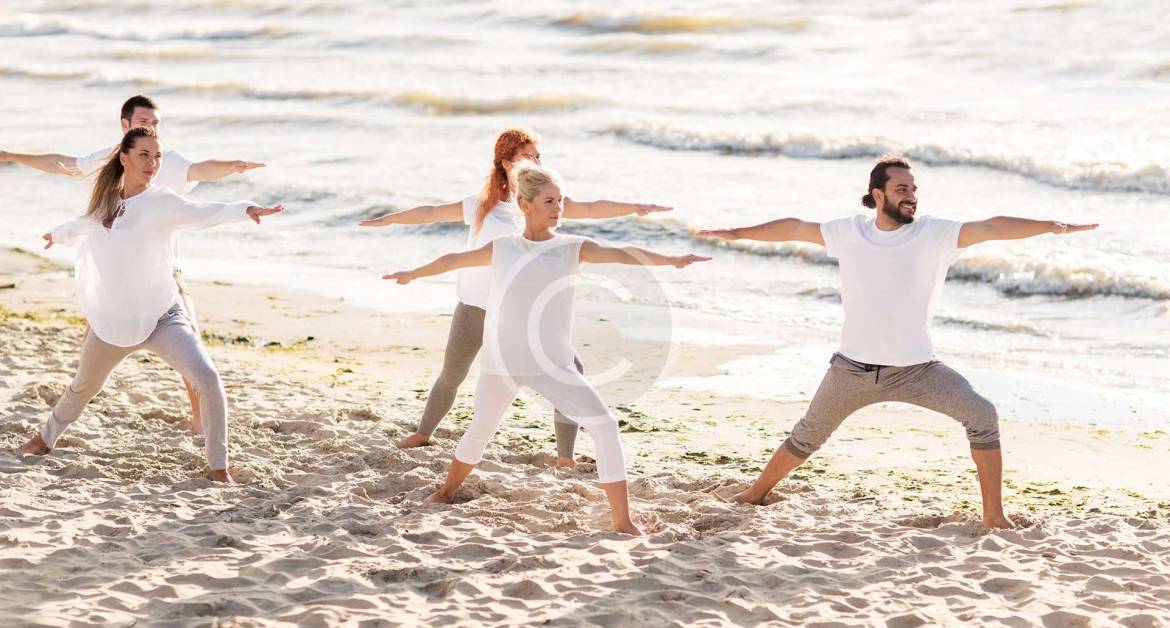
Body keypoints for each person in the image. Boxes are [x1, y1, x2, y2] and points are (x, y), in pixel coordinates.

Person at [697, 155, 1098, 529]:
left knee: (982, 415)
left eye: (914, 189)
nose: (912, 197)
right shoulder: (849, 232)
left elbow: (991, 227)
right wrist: (736, 233)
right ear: (878, 195)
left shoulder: (934, 234)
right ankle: (755, 493)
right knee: (807, 436)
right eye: (902, 189)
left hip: (917, 371)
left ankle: (994, 516)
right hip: (851, 370)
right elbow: (794, 228)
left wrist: (1050, 226)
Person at [383, 163, 709, 535]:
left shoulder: (571, 248)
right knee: (481, 429)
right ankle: (444, 492)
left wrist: (672, 260)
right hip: (502, 362)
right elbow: (454, 261)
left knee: (604, 425)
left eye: (561, 201)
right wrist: (412, 274)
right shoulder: (504, 247)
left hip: (553, 365)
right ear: (524, 204)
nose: (558, 209)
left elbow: (622, 252)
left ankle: (623, 521)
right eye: (549, 201)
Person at [360, 128, 671, 468]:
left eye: (539, 156)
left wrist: (635, 208)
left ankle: (564, 457)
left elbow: (592, 208)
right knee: (453, 373)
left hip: (521, 312)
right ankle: (423, 432)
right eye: (528, 156)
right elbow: (430, 213)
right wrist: (386, 220)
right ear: (506, 162)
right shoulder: (485, 205)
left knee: (571, 368)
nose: (536, 162)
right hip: (477, 305)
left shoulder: (541, 201)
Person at [20, 128, 285, 484]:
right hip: (113, 321)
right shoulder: (107, 202)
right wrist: (58, 233)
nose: (152, 163)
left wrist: (245, 209)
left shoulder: (161, 201)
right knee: (84, 387)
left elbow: (203, 212)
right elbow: (84, 224)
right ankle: (45, 437)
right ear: (124, 158)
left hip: (163, 317)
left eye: (157, 156)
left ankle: (218, 468)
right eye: (144, 154)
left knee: (207, 377)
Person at [0, 94, 265, 436]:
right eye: (144, 122)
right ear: (125, 125)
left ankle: (199, 420)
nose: (150, 128)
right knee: (94, 344)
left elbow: (201, 171)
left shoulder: (166, 160)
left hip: (164, 274)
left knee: (190, 344)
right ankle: (80, 399)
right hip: (116, 277)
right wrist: (13, 156)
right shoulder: (109, 160)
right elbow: (61, 164)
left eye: (155, 123)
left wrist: (233, 166)